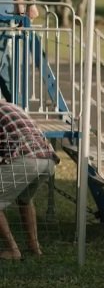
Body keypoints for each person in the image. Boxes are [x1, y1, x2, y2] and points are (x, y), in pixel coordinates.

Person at [0, 100, 58, 260]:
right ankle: (34, 247)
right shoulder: (11, 106)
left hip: (27, 159)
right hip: (48, 158)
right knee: (25, 199)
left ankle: (12, 250)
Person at [0, 0, 38, 101]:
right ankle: (17, 104)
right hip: (3, 10)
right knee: (3, 60)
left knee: (3, 61)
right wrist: (21, 10)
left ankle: (16, 102)